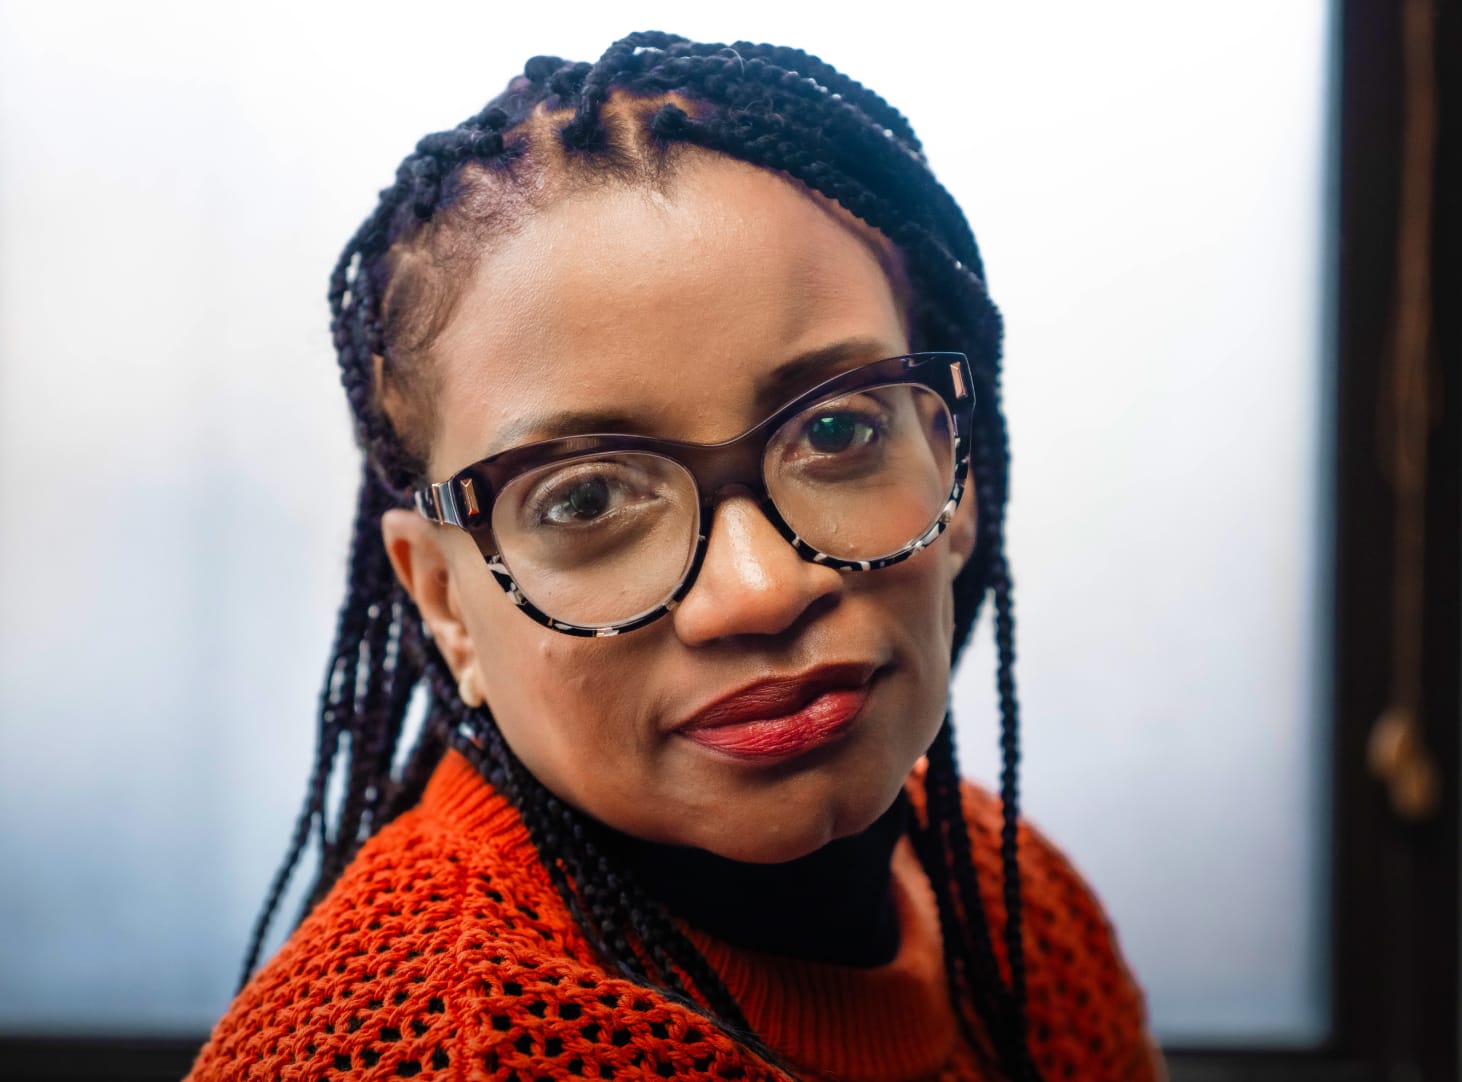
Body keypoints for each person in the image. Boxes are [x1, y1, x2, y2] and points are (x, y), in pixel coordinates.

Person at [187, 31, 1162, 1082]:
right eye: (588, 496)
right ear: (444, 601)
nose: (759, 588)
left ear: (953, 470)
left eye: (836, 431)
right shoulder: (417, 1050)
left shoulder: (1018, 908)